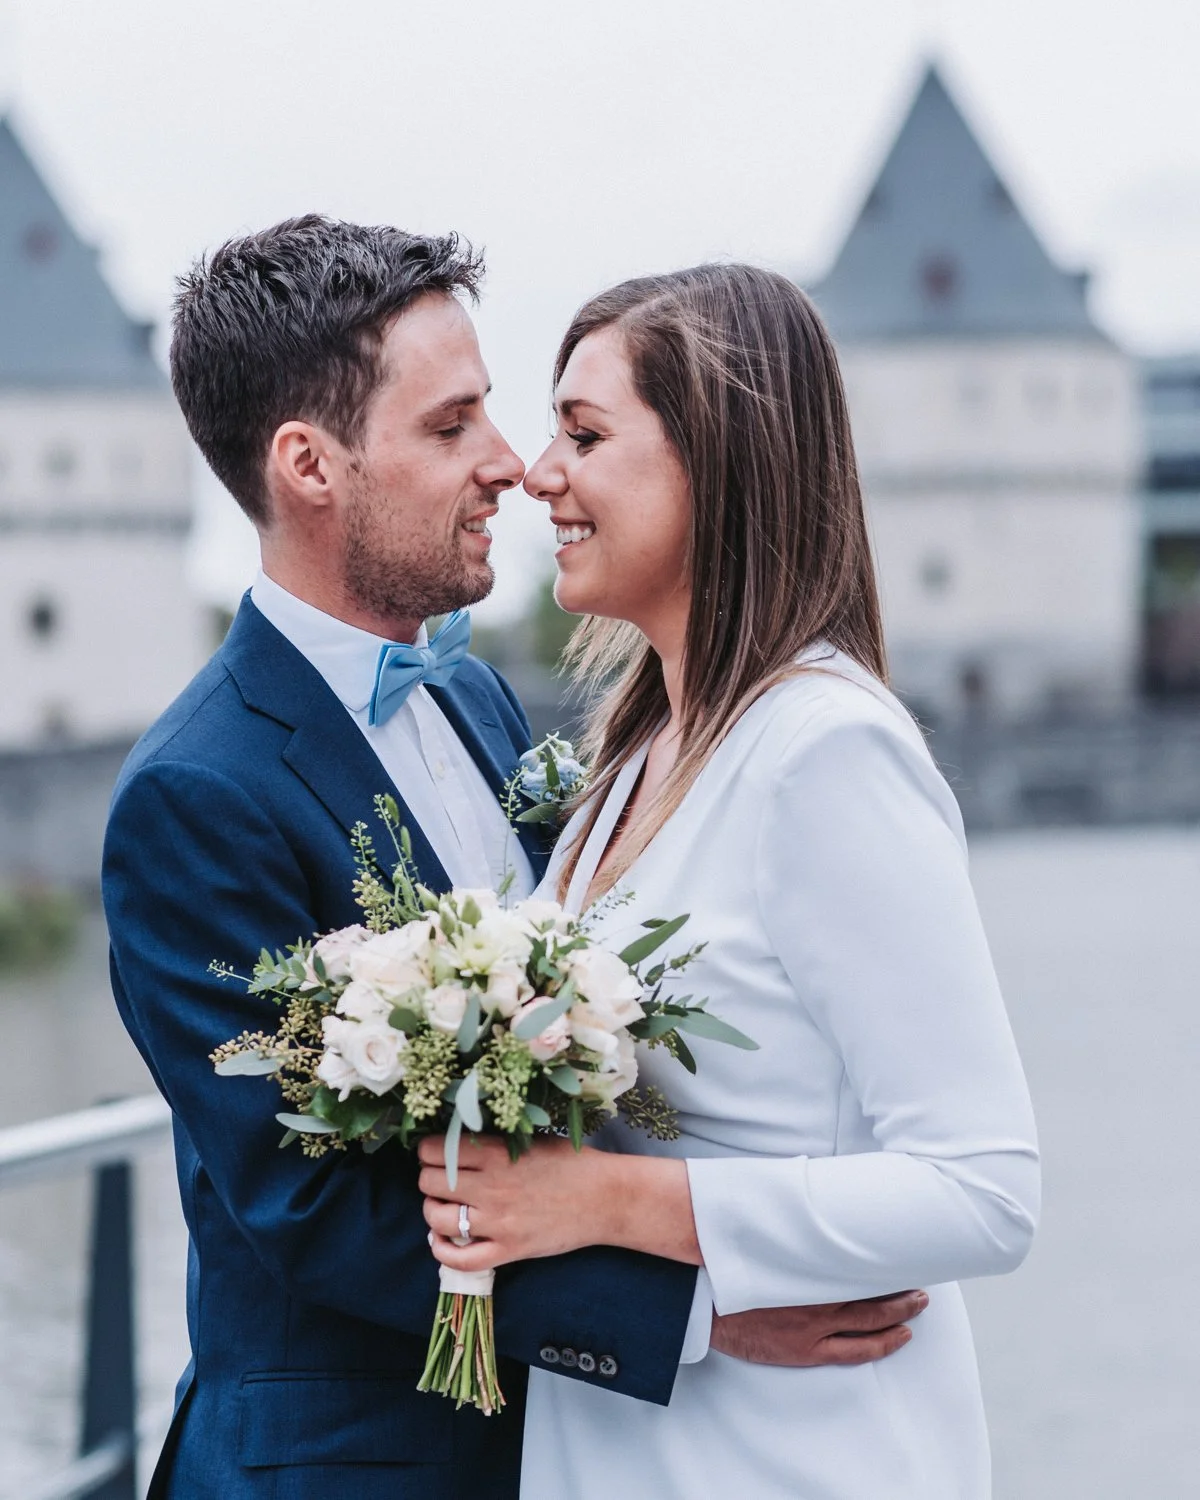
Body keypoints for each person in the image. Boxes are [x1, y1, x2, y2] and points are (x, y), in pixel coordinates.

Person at [102, 221, 925, 1499]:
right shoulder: (194, 797)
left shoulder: (478, 702)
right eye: (451, 427)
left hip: (577, 1450)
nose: (510, 466)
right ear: (309, 465)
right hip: (358, 1465)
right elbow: (314, 1208)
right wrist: (700, 1313)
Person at [418, 263, 1041, 1499]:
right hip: (630, 1445)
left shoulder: (829, 755)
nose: (540, 472)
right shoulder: (634, 756)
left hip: (795, 1454)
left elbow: (982, 1190)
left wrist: (607, 1199)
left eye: (584, 434)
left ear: (716, 461)